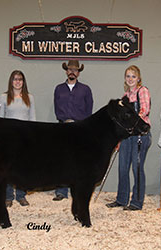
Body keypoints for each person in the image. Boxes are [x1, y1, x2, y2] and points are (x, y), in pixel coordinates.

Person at [106, 65, 152, 211]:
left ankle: (137, 202)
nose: (130, 79)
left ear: (138, 78)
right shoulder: (124, 97)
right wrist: (118, 139)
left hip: (139, 134)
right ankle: (121, 199)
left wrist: (133, 121)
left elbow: (145, 110)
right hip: (127, 136)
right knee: (123, 167)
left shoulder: (142, 91)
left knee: (137, 168)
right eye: (128, 76)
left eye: (133, 76)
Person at [52, 60, 93, 201]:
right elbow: (57, 108)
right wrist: (65, 119)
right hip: (63, 126)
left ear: (79, 73)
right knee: (61, 159)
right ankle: (61, 191)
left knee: (79, 160)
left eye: (75, 70)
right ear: (66, 71)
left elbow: (89, 110)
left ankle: (79, 189)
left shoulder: (85, 89)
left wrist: (81, 124)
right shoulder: (59, 89)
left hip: (80, 128)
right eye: (70, 69)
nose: (72, 72)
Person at [0, 70, 36, 207]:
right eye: (15, 79)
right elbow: (0, 118)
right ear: (11, 81)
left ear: (23, 82)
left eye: (20, 79)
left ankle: (21, 196)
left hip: (25, 138)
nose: (17, 81)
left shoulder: (29, 97)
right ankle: (8, 196)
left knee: (23, 169)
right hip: (8, 138)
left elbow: (32, 118)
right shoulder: (4, 97)